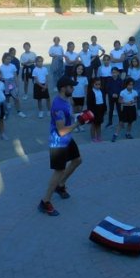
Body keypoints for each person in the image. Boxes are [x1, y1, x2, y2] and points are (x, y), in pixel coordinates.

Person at [38, 76, 83, 217]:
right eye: (71, 86)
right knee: (59, 171)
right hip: (58, 141)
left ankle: (60, 185)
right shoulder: (58, 106)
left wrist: (79, 116)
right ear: (63, 88)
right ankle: (45, 202)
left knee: (77, 160)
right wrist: (78, 123)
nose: (73, 89)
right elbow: (62, 130)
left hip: (67, 139)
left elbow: (68, 118)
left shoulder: (66, 100)